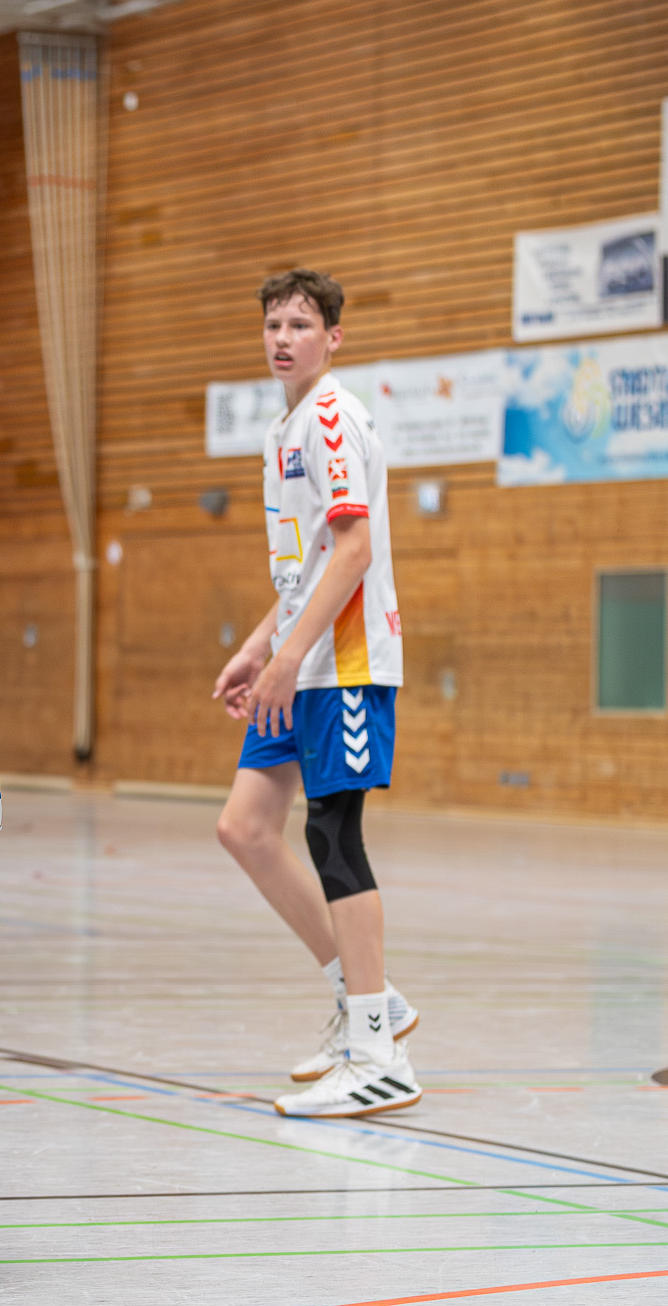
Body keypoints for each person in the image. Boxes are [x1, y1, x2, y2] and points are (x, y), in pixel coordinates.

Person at [211, 269, 420, 1118]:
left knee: (334, 831)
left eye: (301, 323)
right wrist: (258, 646)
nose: (283, 336)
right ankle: (370, 998)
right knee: (246, 827)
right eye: (273, 322)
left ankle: (378, 1055)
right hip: (300, 658)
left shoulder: (332, 416)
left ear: (333, 337)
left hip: (346, 663)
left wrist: (289, 656)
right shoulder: (284, 427)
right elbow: (304, 567)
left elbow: (355, 550)